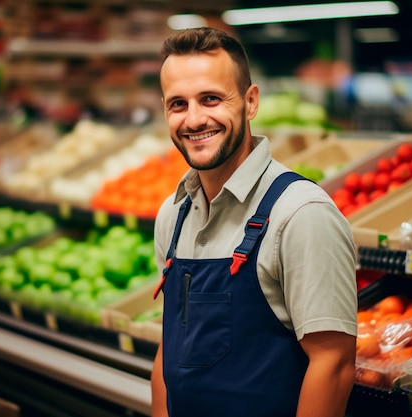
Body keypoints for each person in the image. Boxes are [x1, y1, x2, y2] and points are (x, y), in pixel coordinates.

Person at [151, 26, 357, 417]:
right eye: (178, 104)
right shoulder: (173, 215)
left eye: (211, 99)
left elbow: (333, 365)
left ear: (250, 102)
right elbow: (169, 345)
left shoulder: (300, 213)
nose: (194, 120)